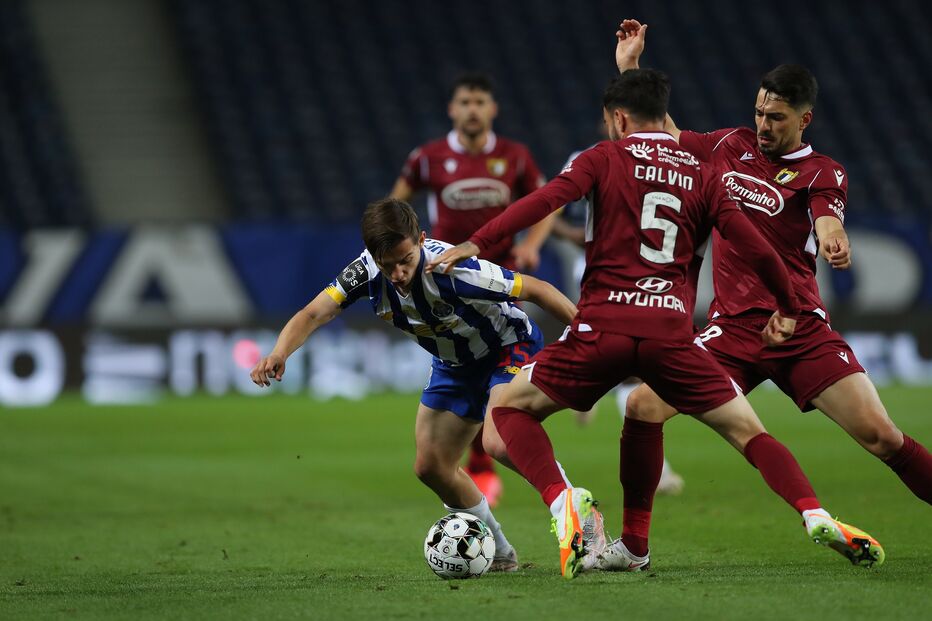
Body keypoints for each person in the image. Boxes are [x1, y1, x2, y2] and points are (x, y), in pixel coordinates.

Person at [427, 70, 883, 579]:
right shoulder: (703, 174)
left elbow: (545, 201)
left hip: (603, 327)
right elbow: (756, 246)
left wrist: (477, 243)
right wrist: (790, 306)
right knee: (746, 431)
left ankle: (563, 501)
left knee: (505, 409)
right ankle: (811, 512)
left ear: (618, 119)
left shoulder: (601, 157)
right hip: (671, 334)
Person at [615, 19, 932, 510]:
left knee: (881, 437)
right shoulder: (728, 146)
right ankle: (633, 546)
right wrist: (632, 67)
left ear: (804, 120)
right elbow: (666, 136)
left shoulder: (823, 172)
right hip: (734, 332)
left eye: (777, 117)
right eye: (760, 112)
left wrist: (835, 242)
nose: (763, 125)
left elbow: (829, 221)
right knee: (642, 404)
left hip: (799, 327)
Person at [249, 198, 598, 573]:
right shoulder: (364, 272)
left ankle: (576, 515)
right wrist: (279, 351)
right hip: (453, 365)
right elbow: (315, 312)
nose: (398, 273)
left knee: (498, 438)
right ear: (372, 255)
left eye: (406, 260)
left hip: (506, 347)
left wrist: (591, 336)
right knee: (431, 465)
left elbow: (538, 290)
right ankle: (497, 552)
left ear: (421, 241)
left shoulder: (455, 269)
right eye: (388, 265)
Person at [390, 72, 555, 507]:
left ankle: (484, 465)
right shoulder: (427, 158)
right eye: (465, 102)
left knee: (496, 375)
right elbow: (396, 208)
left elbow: (544, 205)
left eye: (480, 102)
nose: (472, 110)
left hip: (498, 279)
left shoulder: (515, 157)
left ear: (492, 109)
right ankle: (481, 465)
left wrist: (532, 246)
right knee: (469, 369)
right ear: (452, 109)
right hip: (444, 283)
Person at [552, 144, 685, 495]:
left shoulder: (667, 160)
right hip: (599, 276)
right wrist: (585, 239)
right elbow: (552, 211)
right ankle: (588, 386)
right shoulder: (588, 157)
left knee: (631, 368)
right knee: (631, 367)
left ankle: (589, 388)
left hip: (641, 278)